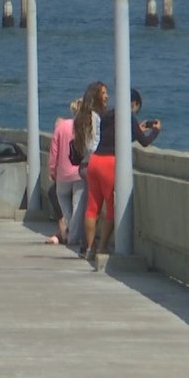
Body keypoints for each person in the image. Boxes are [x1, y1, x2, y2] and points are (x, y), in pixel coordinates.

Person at [84, 86, 163, 261]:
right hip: (109, 163)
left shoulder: (107, 115)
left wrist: (136, 130)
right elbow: (145, 142)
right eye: (136, 108)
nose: (135, 111)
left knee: (92, 207)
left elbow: (113, 136)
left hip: (95, 161)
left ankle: (89, 248)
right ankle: (102, 248)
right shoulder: (129, 118)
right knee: (112, 207)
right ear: (134, 103)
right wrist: (155, 131)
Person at [72, 82, 106, 257]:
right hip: (93, 163)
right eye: (103, 93)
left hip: (83, 164)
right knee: (93, 208)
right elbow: (95, 142)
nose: (106, 97)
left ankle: (85, 245)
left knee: (88, 204)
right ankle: (89, 246)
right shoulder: (95, 117)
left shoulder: (80, 117)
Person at [47, 98, 84, 245]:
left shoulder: (62, 126)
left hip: (63, 173)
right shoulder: (84, 128)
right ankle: (73, 238)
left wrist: (52, 170)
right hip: (80, 172)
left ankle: (68, 231)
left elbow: (53, 152)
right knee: (78, 205)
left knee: (63, 199)